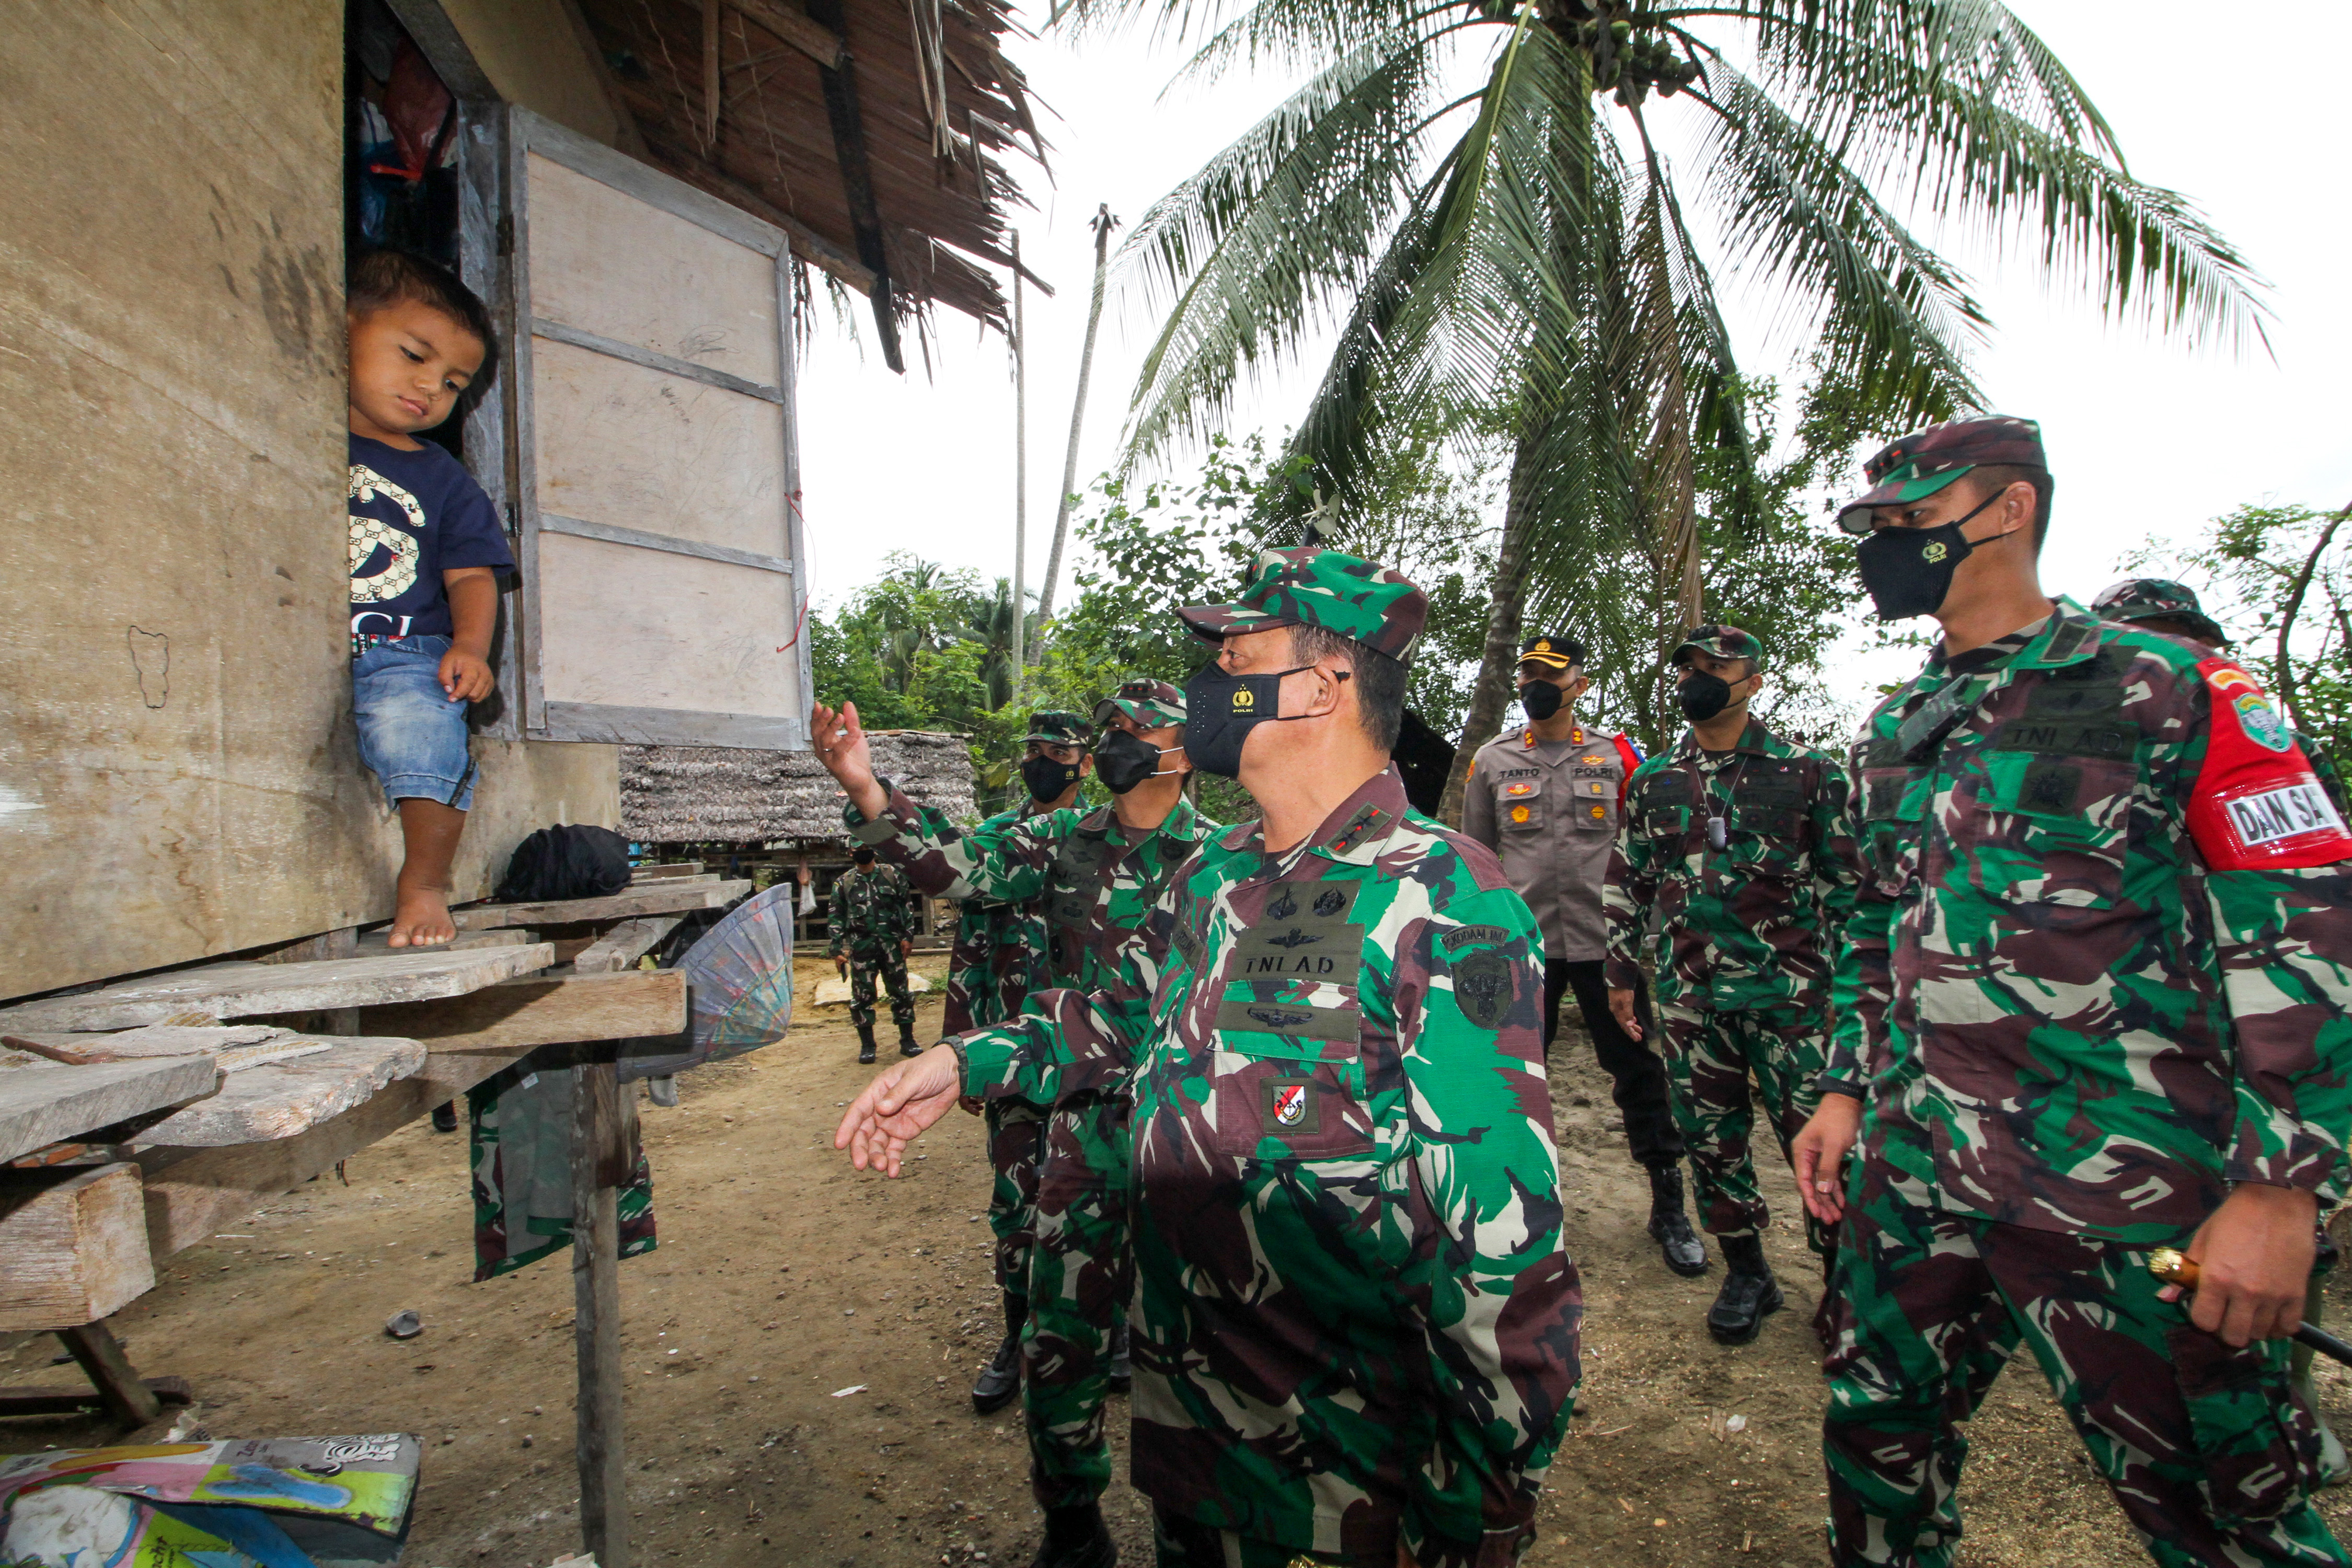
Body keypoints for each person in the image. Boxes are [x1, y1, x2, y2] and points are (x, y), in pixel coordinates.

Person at [836, 548, 1579, 1568]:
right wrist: (968, 1062)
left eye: (1242, 649)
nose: (1212, 672)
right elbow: (1128, 1020)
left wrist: (1481, 1520)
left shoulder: (1444, 901)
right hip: (1195, 1438)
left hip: (1342, 1481)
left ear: (1325, 685)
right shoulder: (1215, 874)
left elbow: (1503, 1257)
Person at [1788, 416, 2352, 1565]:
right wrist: (1845, 1092)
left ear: (2009, 511)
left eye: (1912, 520)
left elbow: (2308, 925)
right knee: (1876, 1450)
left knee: (2220, 1508)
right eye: (1877, 526)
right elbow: (1872, 922)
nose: (1888, 545)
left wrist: (2285, 1191)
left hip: (2124, 1180)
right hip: (1921, 1170)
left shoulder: (2168, 688)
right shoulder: (1895, 728)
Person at [812, 679, 1214, 1568]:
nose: (1115, 739)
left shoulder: (1223, 864)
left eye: (1136, 727)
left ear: (1184, 749)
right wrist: (866, 790)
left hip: (1186, 1135)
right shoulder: (1061, 839)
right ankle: (1073, 1521)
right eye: (1111, 726)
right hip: (1080, 1123)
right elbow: (954, 866)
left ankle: (1192, 1526)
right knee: (1060, 1341)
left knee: (1187, 1347)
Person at [2091, 574, 2352, 1485]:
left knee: (2279, 1239)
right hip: (2150, 1060)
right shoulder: (2113, 741)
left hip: (2252, 1043)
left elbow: (2307, 916)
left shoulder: (2237, 719)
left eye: (2168, 640)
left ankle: (2285, 1420)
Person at [1602, 624, 1860, 1345]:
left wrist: (1858, 998)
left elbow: (1851, 892)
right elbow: (1630, 877)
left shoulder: (1809, 773)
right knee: (1711, 1141)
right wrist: (1620, 969)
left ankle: (1845, 1279)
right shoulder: (1656, 779)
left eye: (1716, 667)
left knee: (1817, 1144)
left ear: (1751, 682)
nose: (1697, 679)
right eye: (1689, 667)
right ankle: (1748, 1270)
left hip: (1794, 1001)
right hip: (1692, 1000)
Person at [1462, 635, 1701, 1275]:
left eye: (1550, 675)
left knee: (1638, 1072)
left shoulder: (1619, 756)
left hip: (1607, 948)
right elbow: (1477, 861)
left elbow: (1645, 850)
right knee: (1509, 1082)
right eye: (1529, 675)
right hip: (1524, 950)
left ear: (1580, 684)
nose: (1537, 686)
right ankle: (1505, 1209)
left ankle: (1668, 1204)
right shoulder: (1493, 760)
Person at [344, 248, 511, 948]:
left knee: (424, 724)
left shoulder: (443, 479)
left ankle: (423, 881)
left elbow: (473, 574)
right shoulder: (278, 428)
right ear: (340, 326)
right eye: (413, 355)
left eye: (452, 383)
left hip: (400, 647)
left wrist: (469, 647)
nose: (429, 389)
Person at [935, 710, 1097, 1415]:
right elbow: (972, 938)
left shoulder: (1110, 837)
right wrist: (963, 1041)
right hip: (1012, 1051)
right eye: (1032, 748)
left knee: (1104, 1196)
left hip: (1096, 1055)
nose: (1042, 759)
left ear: (1084, 762)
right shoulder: (999, 838)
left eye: (1056, 749)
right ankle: (1016, 1339)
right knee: (1016, 1201)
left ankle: (1111, 1332)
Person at [2092, 576, 2350, 816]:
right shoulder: (2067, 743)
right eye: (2117, 643)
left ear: (2204, 647)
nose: (2143, 658)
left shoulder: (2279, 748)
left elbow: (2312, 859)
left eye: (2156, 642)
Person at [827, 845, 918, 1064]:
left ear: (874, 851)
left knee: (902, 993)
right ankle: (868, 1046)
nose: (862, 852)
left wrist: (908, 936)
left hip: (892, 945)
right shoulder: (844, 883)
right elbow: (836, 916)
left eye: (866, 848)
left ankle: (908, 1041)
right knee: (862, 997)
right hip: (862, 948)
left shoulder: (892, 875)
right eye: (857, 850)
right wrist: (837, 950)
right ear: (850, 853)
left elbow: (906, 906)